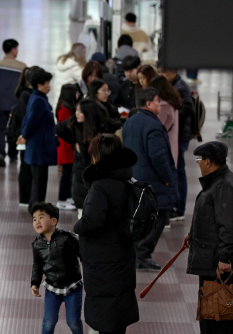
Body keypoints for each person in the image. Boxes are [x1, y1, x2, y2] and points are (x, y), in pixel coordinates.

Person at [74, 133, 140, 334]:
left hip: (103, 259)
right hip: (123, 254)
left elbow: (93, 220)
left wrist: (78, 227)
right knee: (118, 314)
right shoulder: (127, 179)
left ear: (98, 156)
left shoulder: (101, 185)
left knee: (104, 315)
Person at [182, 141, 233, 334]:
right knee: (210, 314)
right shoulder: (217, 181)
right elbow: (212, 218)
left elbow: (227, 226)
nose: (197, 164)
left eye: (199, 160)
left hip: (217, 263)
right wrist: (193, 234)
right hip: (210, 259)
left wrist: (225, 258)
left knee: (220, 318)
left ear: (208, 162)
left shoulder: (223, 186)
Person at [122, 87, 177, 270]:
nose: (159, 104)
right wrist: (168, 178)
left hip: (136, 177)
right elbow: (158, 156)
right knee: (160, 215)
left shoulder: (129, 122)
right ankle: (143, 254)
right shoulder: (153, 125)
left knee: (141, 217)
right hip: (153, 180)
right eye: (156, 100)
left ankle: (136, 253)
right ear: (148, 104)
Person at [56, 99, 121, 218]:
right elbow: (59, 128)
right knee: (83, 213)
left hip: (98, 180)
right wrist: (73, 142)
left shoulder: (101, 130)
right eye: (76, 111)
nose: (77, 114)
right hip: (82, 179)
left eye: (80, 112)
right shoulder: (76, 126)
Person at [30, 202, 82, 334]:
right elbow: (37, 265)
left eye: (41, 217)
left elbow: (84, 256)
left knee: (73, 322)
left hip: (73, 287)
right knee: (48, 323)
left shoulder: (67, 238)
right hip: (52, 288)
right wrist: (35, 283)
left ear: (54, 221)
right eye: (34, 219)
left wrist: (90, 277)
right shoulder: (37, 245)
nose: (37, 221)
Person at [157, 66, 195, 222]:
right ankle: (176, 206)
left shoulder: (180, 87)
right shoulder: (174, 86)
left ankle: (179, 208)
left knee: (178, 171)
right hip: (177, 135)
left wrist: (173, 118)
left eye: (164, 72)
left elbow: (189, 108)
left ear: (174, 72)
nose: (162, 75)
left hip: (180, 136)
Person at [19, 68, 57, 208]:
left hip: (37, 148)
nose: (49, 85)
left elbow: (27, 120)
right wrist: (25, 135)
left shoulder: (36, 97)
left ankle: (36, 206)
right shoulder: (39, 101)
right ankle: (36, 208)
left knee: (39, 180)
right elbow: (30, 122)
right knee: (39, 181)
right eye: (46, 82)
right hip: (39, 148)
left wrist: (24, 134)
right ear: (39, 85)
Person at [0, 39, 27, 167]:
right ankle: (13, 155)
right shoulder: (22, 67)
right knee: (14, 128)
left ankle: (0, 154)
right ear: (14, 49)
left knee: (1, 128)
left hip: (0, 103)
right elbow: (26, 86)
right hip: (16, 104)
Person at [7, 66, 35, 205]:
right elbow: (27, 116)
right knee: (26, 166)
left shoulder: (27, 94)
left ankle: (28, 197)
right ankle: (25, 198)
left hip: (26, 135)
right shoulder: (26, 95)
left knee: (27, 165)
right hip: (25, 136)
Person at [149, 75, 182, 167]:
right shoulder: (173, 102)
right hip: (172, 145)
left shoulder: (163, 106)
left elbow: (155, 127)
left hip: (163, 148)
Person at [54, 84, 78, 211]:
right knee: (66, 174)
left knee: (68, 173)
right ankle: (62, 199)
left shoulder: (62, 106)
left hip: (66, 145)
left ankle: (67, 196)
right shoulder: (65, 110)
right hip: (66, 146)